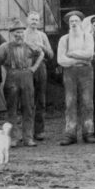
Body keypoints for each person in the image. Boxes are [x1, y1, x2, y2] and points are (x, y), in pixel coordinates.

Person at [0, 17, 44, 147]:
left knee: (28, 108)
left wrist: (34, 68)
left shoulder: (30, 46)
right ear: (11, 34)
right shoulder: (5, 47)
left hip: (27, 77)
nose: (19, 35)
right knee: (12, 110)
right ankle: (13, 138)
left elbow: (41, 54)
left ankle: (28, 138)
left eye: (21, 32)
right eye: (16, 33)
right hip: (11, 78)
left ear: (24, 33)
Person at [57, 11, 95, 145]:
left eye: (76, 21)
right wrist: (78, 60)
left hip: (86, 72)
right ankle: (70, 134)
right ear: (68, 24)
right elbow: (61, 60)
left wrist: (72, 54)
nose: (74, 23)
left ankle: (88, 132)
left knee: (87, 102)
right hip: (70, 73)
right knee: (70, 102)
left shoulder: (88, 37)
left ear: (81, 23)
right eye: (71, 21)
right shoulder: (64, 39)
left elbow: (89, 54)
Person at [23, 10, 53, 141]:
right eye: (32, 19)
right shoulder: (22, 34)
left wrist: (43, 48)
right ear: (27, 20)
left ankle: (39, 131)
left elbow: (51, 55)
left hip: (41, 68)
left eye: (36, 19)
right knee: (26, 99)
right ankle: (27, 131)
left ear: (39, 21)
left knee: (40, 99)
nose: (34, 22)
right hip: (26, 68)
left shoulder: (42, 35)